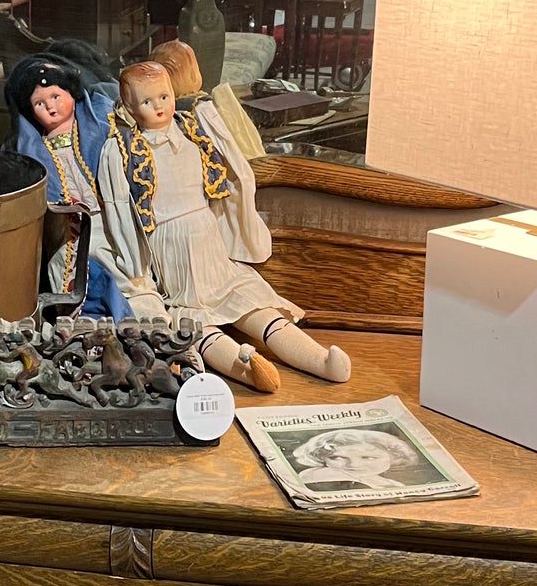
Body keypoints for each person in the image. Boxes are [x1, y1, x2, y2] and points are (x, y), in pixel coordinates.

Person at [96, 57, 350, 392]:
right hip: (171, 249)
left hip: (209, 240)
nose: (158, 107)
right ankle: (246, 367)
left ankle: (317, 359)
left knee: (250, 300)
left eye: (164, 96)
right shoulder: (121, 150)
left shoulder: (192, 130)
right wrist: (135, 266)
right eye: (146, 101)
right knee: (194, 319)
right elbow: (118, 210)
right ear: (129, 107)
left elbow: (232, 168)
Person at [5, 53, 129, 320]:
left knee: (121, 265)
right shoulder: (34, 148)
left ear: (72, 93)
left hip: (106, 218)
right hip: (68, 229)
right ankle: (89, 314)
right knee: (77, 269)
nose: (51, 107)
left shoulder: (98, 126)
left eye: (56, 96)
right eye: (40, 103)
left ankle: (127, 307)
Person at [288, 426, 436, 494]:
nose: (354, 465)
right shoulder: (318, 476)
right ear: (322, 458)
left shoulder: (390, 483)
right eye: (337, 457)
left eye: (369, 457)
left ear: (394, 457)